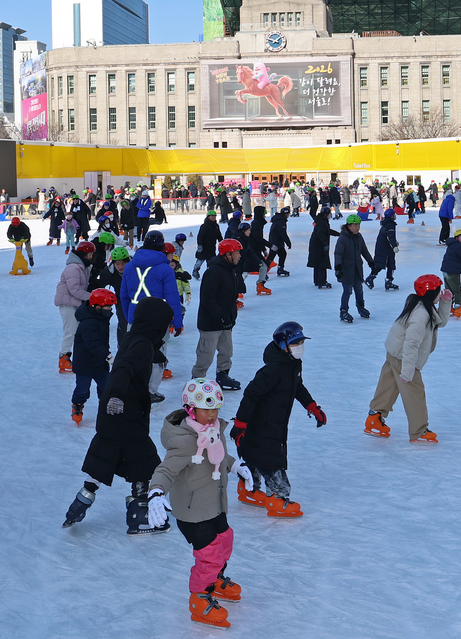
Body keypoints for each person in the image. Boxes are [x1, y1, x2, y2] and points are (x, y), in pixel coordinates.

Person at [62, 296, 175, 533]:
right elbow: (123, 369)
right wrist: (115, 396)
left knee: (104, 458)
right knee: (143, 464)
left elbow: (132, 357)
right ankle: (139, 517)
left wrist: (155, 355)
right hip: (126, 412)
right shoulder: (142, 345)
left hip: (113, 415)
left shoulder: (135, 339)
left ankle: (79, 504)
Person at [145, 378, 241, 629]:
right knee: (209, 554)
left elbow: (219, 456)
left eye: (215, 408)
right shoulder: (185, 441)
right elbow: (166, 470)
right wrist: (156, 493)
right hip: (192, 511)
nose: (212, 414)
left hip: (215, 502)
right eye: (205, 409)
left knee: (225, 540)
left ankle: (216, 579)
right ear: (190, 409)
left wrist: (235, 466)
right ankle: (199, 598)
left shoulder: (214, 429)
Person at [228, 322, 325, 517]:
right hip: (262, 423)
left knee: (255, 456)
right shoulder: (273, 369)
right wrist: (240, 425)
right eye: (295, 344)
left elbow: (297, 387)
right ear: (283, 346)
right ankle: (277, 499)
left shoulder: (293, 364)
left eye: (301, 343)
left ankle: (249, 489)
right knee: (271, 460)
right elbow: (251, 394)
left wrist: (312, 406)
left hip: (276, 421)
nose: (300, 347)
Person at [366, 274, 451, 443]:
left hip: (394, 352)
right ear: (430, 293)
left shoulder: (422, 305)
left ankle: (374, 418)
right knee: (415, 393)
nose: (440, 293)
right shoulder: (421, 315)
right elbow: (411, 344)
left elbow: (439, 322)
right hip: (403, 357)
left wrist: (445, 302)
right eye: (438, 291)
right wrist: (407, 370)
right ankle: (419, 431)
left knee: (388, 387)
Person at [119, 231, 184, 400]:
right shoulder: (165, 269)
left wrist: (128, 316)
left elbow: (124, 296)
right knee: (157, 356)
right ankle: (150, 391)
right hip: (158, 321)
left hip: (135, 318)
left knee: (135, 354)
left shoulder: (130, 267)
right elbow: (173, 299)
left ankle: (135, 389)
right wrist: (177, 322)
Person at [193, 239, 244, 391]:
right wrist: (220, 316)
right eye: (237, 253)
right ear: (228, 254)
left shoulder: (230, 270)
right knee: (206, 354)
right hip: (211, 322)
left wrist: (230, 316)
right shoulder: (214, 272)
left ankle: (223, 375)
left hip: (226, 321)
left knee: (226, 351)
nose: (239, 256)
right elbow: (207, 298)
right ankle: (197, 380)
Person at [70, 289, 116, 425]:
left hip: (100, 362)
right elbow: (93, 344)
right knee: (82, 389)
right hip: (84, 363)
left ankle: (105, 407)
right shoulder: (88, 323)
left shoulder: (101, 317)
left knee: (106, 387)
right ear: (96, 306)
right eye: (107, 307)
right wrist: (108, 356)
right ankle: (78, 405)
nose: (110, 310)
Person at [56, 241, 98, 374]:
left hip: (76, 303)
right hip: (67, 304)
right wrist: (93, 297)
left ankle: (80, 357)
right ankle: (63, 358)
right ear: (83, 254)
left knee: (80, 331)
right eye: (89, 254)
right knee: (70, 331)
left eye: (92, 254)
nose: (91, 256)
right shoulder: (73, 267)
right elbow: (74, 289)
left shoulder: (83, 266)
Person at [334, 214, 375, 324]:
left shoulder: (359, 237)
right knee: (347, 291)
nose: (358, 228)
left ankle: (361, 307)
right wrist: (338, 267)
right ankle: (343, 311)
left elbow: (364, 251)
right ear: (349, 226)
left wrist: (371, 262)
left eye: (358, 225)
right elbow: (338, 253)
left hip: (357, 268)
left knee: (359, 289)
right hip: (346, 270)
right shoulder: (343, 238)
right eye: (355, 225)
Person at [366, 210, 399, 292]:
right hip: (386, 248)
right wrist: (394, 246)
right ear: (392, 216)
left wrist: (394, 242)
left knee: (380, 264)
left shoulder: (385, 223)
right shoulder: (390, 225)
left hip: (381, 247)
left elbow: (387, 236)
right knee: (390, 264)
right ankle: (388, 281)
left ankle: (371, 278)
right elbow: (390, 236)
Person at [307, 208, 338, 290]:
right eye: (329, 214)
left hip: (316, 245)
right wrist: (325, 243)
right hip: (319, 246)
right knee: (322, 263)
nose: (330, 215)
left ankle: (317, 280)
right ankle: (322, 281)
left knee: (317, 263)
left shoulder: (321, 221)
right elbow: (320, 233)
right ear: (326, 214)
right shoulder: (322, 222)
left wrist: (338, 234)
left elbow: (327, 231)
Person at [193, 211, 221, 279]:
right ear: (208, 217)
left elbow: (219, 235)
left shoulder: (216, 226)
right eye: (212, 216)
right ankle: (195, 271)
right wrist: (200, 245)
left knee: (211, 262)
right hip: (204, 248)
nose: (213, 217)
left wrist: (222, 242)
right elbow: (200, 236)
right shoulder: (204, 226)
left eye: (214, 216)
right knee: (200, 261)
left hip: (211, 248)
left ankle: (211, 274)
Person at [267, 208, 292, 278]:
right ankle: (263, 271)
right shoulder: (281, 221)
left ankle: (280, 268)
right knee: (271, 257)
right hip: (275, 242)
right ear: (286, 214)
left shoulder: (280, 219)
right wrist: (288, 242)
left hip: (277, 241)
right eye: (288, 214)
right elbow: (282, 233)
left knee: (283, 254)